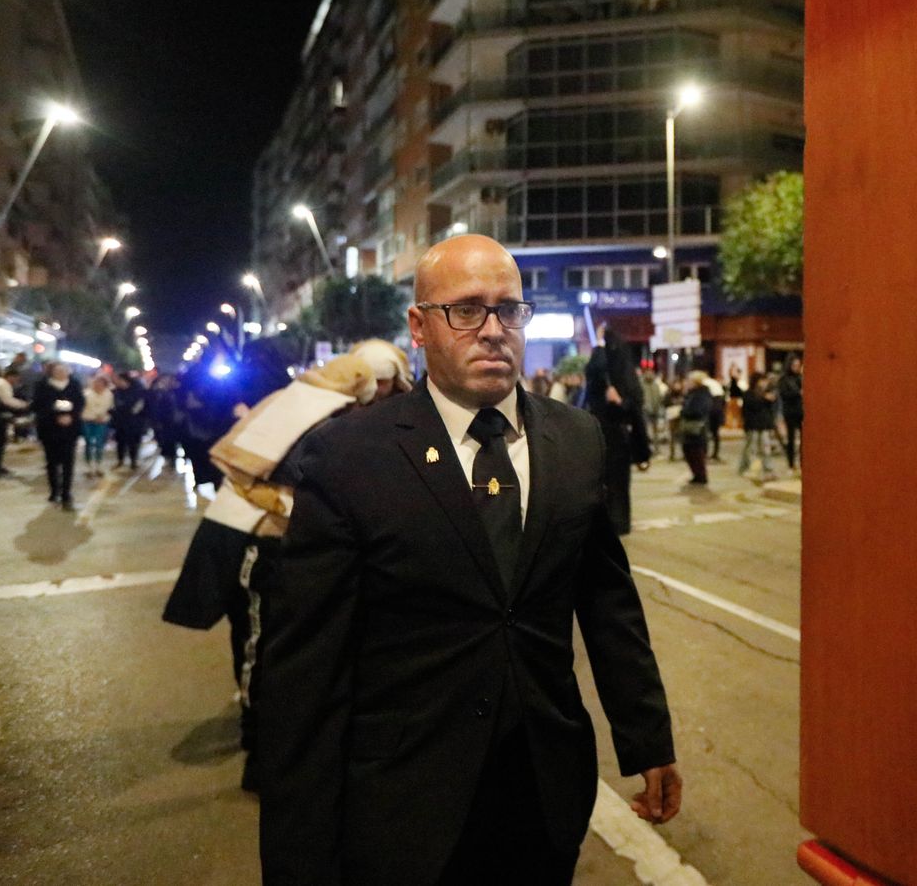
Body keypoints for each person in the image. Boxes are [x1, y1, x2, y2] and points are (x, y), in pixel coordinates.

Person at [260, 234, 680, 885]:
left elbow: (605, 599)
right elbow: (303, 672)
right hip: (404, 803)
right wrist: (297, 854)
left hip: (544, 795)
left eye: (508, 309)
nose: (492, 330)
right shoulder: (350, 456)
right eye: (466, 310)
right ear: (419, 326)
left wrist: (646, 736)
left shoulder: (576, 438)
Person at [164, 340, 412, 792]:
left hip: (306, 550)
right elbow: (285, 471)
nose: (384, 395)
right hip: (266, 548)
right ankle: (261, 745)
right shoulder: (320, 415)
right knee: (265, 646)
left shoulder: (309, 402)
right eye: (381, 386)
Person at [584, 323, 651, 537]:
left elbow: (633, 404)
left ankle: (617, 522)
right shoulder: (616, 374)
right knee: (611, 483)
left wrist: (620, 401)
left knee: (614, 483)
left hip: (613, 435)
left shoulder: (616, 374)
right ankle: (614, 521)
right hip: (611, 436)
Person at [32, 362, 84, 508]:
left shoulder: (74, 385)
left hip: (69, 429)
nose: (61, 373)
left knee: (68, 462)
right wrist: (58, 414)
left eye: (64, 370)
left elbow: (79, 403)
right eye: (58, 370)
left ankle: (66, 492)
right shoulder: (43, 386)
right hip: (49, 429)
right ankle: (54, 490)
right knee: (51, 462)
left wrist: (69, 415)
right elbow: (40, 405)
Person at [739, 372, 779, 479]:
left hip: (764, 425)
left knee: (766, 448)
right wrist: (764, 399)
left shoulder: (767, 393)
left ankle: (768, 469)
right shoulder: (749, 393)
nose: (764, 383)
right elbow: (751, 407)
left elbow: (770, 410)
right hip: (753, 425)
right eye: (762, 380)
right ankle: (747, 468)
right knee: (751, 448)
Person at [678, 370, 713, 486]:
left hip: (697, 428)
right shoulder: (691, 393)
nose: (687, 383)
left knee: (696, 453)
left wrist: (684, 411)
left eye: (689, 381)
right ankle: (696, 475)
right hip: (690, 427)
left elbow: (698, 410)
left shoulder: (702, 394)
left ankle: (701, 476)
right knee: (688, 451)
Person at [111, 371, 149, 470]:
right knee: (120, 442)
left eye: (119, 380)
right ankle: (120, 460)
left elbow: (139, 405)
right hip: (120, 421)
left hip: (134, 421)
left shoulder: (138, 390)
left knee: (133, 442)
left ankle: (133, 461)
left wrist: (130, 411)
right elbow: (114, 405)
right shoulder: (116, 391)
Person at [80, 373, 114, 478]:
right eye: (96, 382)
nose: (98, 385)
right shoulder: (86, 394)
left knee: (99, 443)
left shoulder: (109, 395)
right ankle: (89, 466)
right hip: (87, 420)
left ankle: (99, 466)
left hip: (102, 421)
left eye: (101, 383)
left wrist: (102, 416)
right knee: (88, 443)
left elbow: (110, 408)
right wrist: (94, 415)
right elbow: (83, 407)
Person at [779, 354, 804, 471]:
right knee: (791, 438)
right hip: (790, 411)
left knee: (804, 439)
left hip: (801, 411)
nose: (796, 367)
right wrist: (798, 393)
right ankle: (791, 464)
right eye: (794, 365)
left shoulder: (801, 377)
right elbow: (784, 395)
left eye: (798, 365)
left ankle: (802, 462)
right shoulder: (784, 379)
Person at [704, 370, 726, 460]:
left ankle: (705, 453)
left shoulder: (705, 383)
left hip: (709, 410)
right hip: (718, 408)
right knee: (715, 434)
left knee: (705, 433)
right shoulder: (716, 384)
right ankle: (715, 453)